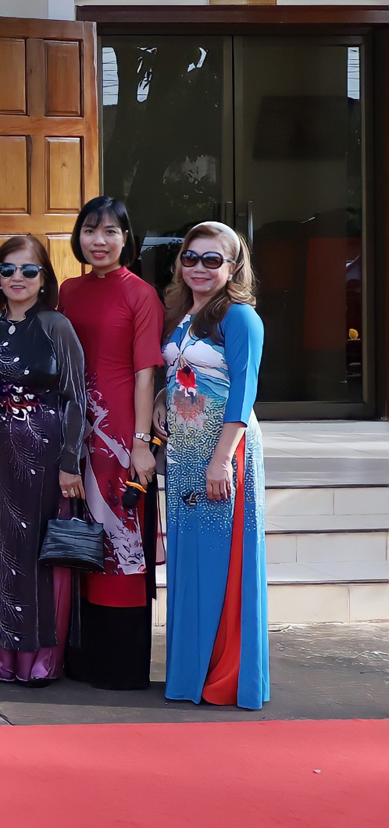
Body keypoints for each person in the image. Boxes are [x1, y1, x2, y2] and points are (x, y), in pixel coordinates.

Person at [160, 221, 268, 711]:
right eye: (190, 257)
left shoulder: (241, 318)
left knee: (224, 564)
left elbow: (242, 394)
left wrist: (222, 459)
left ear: (233, 266)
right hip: (183, 454)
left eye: (212, 259)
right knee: (191, 560)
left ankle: (223, 675)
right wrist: (164, 395)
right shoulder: (182, 315)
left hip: (223, 455)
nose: (199, 268)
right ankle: (189, 673)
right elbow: (187, 372)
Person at [60, 196, 165, 691]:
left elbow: (146, 374)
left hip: (120, 430)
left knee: (121, 537)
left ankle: (118, 664)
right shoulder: (68, 290)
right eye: (89, 231)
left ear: (127, 238)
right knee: (80, 532)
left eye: (110, 232)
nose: (98, 241)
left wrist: (142, 442)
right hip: (75, 427)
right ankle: (77, 654)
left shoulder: (141, 294)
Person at [0, 235, 88, 686]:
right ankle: (2, 658)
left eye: (28, 270)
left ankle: (40, 661)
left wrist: (70, 462)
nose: (17, 278)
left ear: (44, 279)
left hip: (45, 458)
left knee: (38, 554)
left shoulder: (55, 326)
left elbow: (77, 397)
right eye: (7, 269)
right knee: (0, 552)